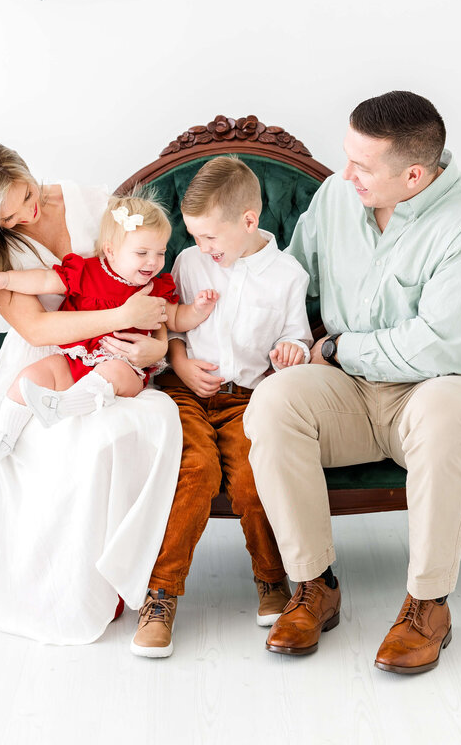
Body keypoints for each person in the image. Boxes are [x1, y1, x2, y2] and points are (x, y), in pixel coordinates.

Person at [243, 92, 461, 675]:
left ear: (414, 174)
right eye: (347, 157)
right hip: (348, 389)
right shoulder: (340, 196)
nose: (345, 174)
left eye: (361, 165)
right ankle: (313, 586)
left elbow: (440, 344)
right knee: (273, 404)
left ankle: (427, 604)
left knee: (445, 416)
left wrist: (339, 348)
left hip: (439, 387)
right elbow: (292, 274)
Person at [0, 140, 184, 645]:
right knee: (76, 444)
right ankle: (70, 587)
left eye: (26, 194)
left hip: (115, 357)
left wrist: (150, 343)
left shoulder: (90, 203)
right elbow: (38, 330)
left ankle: (114, 580)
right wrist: (122, 318)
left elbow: (150, 288)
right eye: (9, 218)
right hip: (46, 365)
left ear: (26, 172)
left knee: (137, 423)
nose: (27, 214)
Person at [131, 156, 314, 659]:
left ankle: (272, 580)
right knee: (196, 473)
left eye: (211, 238)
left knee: (255, 481)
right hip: (184, 392)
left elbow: (296, 336)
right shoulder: (191, 263)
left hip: (248, 400)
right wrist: (181, 362)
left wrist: (291, 351)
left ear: (249, 221)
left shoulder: (287, 276)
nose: (203, 248)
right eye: (196, 237)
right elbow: (166, 323)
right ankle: (161, 594)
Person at [0, 193, 219, 466]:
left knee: (113, 372)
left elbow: (175, 319)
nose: (153, 262)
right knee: (31, 375)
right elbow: (44, 280)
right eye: (142, 253)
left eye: (160, 253)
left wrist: (197, 310)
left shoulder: (155, 288)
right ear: (111, 251)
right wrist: (6, 279)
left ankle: (63, 406)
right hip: (76, 359)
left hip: (126, 368)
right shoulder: (87, 272)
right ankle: (3, 438)